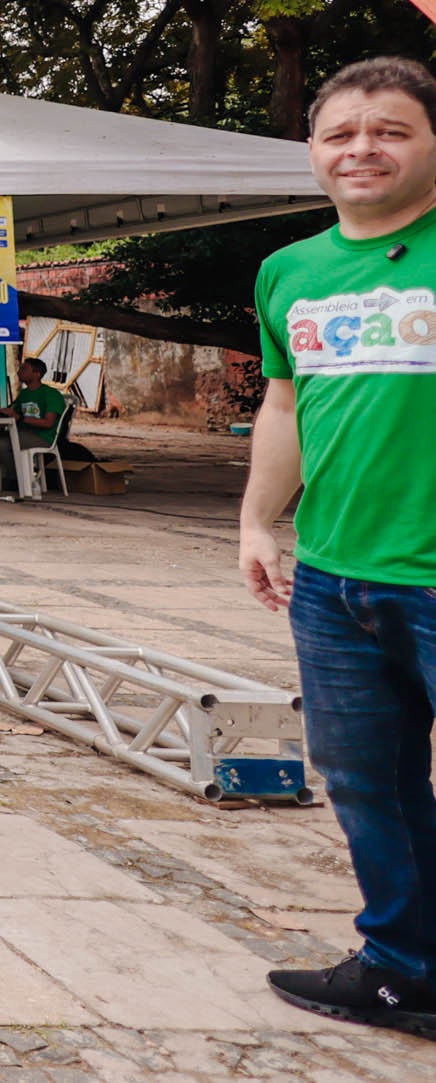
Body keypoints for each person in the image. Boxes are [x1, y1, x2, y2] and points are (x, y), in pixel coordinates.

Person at [238, 56, 436, 1040]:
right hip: (335, 578)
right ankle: (404, 969)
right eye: (341, 133)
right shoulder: (290, 271)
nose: (363, 148)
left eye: (391, 129)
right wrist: (256, 520)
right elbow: (285, 405)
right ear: (312, 150)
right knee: (367, 783)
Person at [0, 357, 66, 489]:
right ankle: (18, 473)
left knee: (0, 445)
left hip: (43, 437)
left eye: (24, 369)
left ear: (37, 374)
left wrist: (20, 418)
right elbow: (14, 414)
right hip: (22, 434)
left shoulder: (51, 394)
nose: (19, 372)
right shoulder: (24, 394)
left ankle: (16, 478)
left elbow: (48, 423)